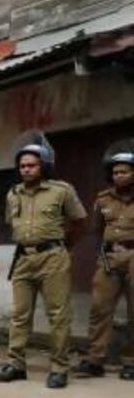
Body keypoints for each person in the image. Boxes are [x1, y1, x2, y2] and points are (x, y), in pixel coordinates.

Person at [0, 132, 87, 389]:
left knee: (58, 315)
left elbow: (79, 222)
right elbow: (12, 223)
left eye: (31, 165)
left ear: (44, 165)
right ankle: (16, 365)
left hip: (53, 258)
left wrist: (63, 247)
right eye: (22, 166)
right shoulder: (13, 194)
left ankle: (59, 368)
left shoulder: (62, 191)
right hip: (23, 259)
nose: (26, 170)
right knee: (20, 314)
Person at [75, 140, 134, 381]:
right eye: (115, 172)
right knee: (100, 308)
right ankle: (95, 359)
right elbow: (96, 229)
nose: (119, 175)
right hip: (109, 257)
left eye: (124, 171)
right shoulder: (102, 199)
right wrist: (105, 251)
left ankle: (131, 361)